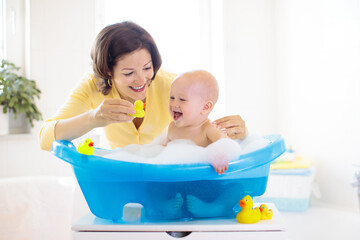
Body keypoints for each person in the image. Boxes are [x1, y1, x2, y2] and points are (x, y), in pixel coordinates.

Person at [39, 21, 246, 152]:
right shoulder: (93, 86)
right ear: (108, 71)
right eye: (129, 73)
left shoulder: (170, 85)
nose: (141, 81)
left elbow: (204, 128)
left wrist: (238, 132)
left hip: (163, 176)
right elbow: (46, 138)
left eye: (147, 68)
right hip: (121, 173)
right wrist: (95, 118)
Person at [164, 70, 230, 174]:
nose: (174, 104)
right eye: (171, 98)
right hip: (178, 176)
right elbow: (163, 151)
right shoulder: (172, 127)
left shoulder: (207, 129)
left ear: (205, 107)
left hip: (201, 178)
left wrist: (219, 156)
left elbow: (225, 143)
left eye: (182, 99)